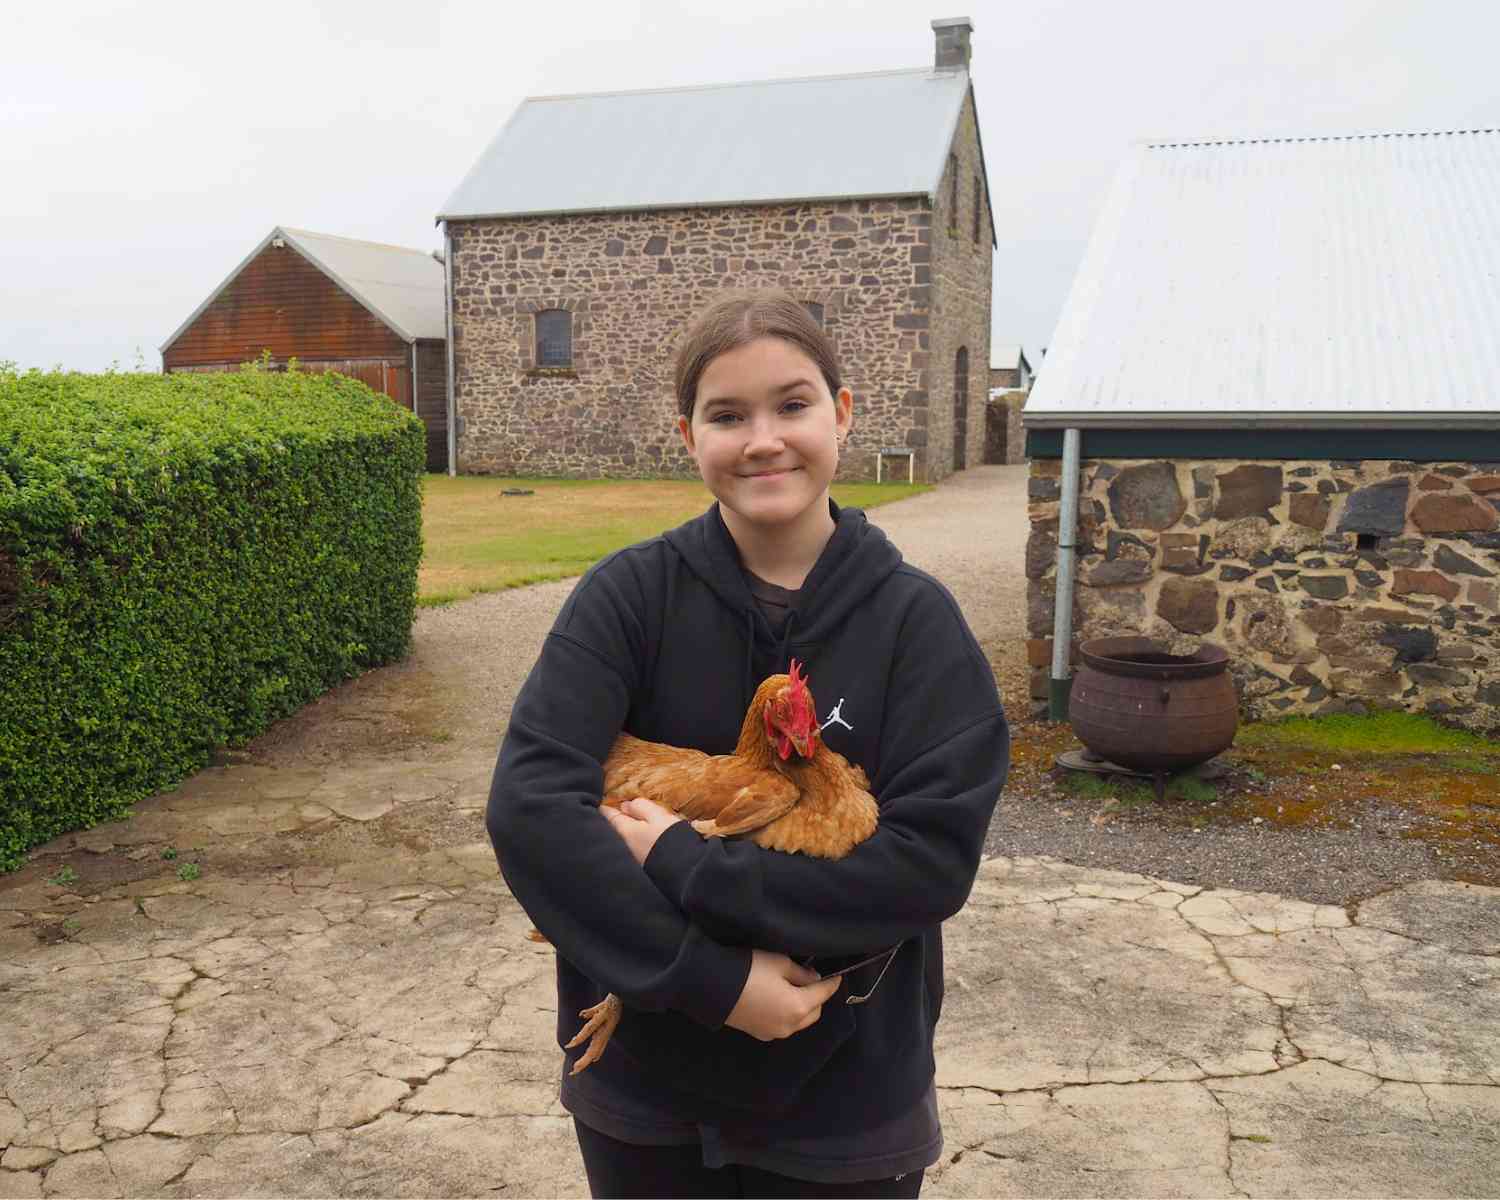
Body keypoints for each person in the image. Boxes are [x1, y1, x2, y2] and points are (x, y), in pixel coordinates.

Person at [487, 290, 1009, 1199]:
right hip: (646, 1093)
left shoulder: (917, 624)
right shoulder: (626, 598)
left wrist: (689, 868)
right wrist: (711, 980)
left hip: (848, 1100)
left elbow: (926, 865)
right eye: (727, 415)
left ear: (842, 416)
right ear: (689, 437)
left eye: (792, 404)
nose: (763, 438)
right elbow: (532, 807)